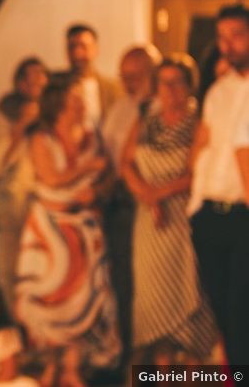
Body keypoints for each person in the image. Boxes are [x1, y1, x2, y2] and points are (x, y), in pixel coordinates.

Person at [16, 78, 120, 387]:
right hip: (50, 228)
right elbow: (51, 176)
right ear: (59, 105)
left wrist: (98, 191)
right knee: (51, 294)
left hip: (85, 226)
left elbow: (109, 174)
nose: (82, 104)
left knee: (83, 294)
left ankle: (73, 366)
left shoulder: (91, 136)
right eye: (75, 100)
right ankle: (51, 364)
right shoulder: (41, 138)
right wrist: (87, 169)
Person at [120, 54, 218, 365]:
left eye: (178, 83)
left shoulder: (198, 123)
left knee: (189, 299)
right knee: (154, 302)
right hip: (149, 223)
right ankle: (162, 374)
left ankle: (189, 376)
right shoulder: (146, 121)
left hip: (182, 220)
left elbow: (195, 174)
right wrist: (148, 197)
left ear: (190, 86)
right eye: (164, 83)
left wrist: (158, 195)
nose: (170, 90)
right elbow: (126, 163)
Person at [190, 4, 249, 366]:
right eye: (222, 37)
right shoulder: (218, 91)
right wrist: (194, 207)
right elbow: (202, 150)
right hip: (209, 213)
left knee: (242, 311)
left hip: (243, 215)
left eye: (237, 35)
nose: (229, 45)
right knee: (224, 313)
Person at [97, 44, 161, 368]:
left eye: (134, 76)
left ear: (153, 72)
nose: (127, 83)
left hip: (153, 205)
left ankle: (155, 358)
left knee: (152, 284)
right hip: (120, 206)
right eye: (124, 77)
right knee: (123, 282)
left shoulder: (162, 107)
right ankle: (130, 356)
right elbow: (109, 156)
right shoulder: (121, 107)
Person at [0, 57, 47, 312]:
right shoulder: (6, 110)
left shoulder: (52, 111)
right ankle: (12, 323)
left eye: (40, 76)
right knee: (10, 265)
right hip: (13, 197)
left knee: (41, 264)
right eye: (29, 77)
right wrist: (21, 127)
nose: (35, 82)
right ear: (20, 82)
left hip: (44, 196)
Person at [50, 24, 120, 128]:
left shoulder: (113, 88)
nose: (77, 53)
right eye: (72, 47)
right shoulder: (54, 83)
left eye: (83, 46)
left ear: (95, 49)